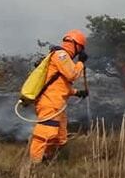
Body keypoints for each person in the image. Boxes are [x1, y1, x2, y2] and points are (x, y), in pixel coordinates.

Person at [29, 29, 88, 163]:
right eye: (80, 49)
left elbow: (60, 86)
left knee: (59, 137)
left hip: (57, 104)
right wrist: (81, 63)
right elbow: (72, 74)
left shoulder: (62, 57)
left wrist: (77, 92)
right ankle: (34, 165)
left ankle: (50, 161)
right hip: (49, 103)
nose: (80, 52)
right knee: (45, 134)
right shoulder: (61, 55)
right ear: (76, 45)